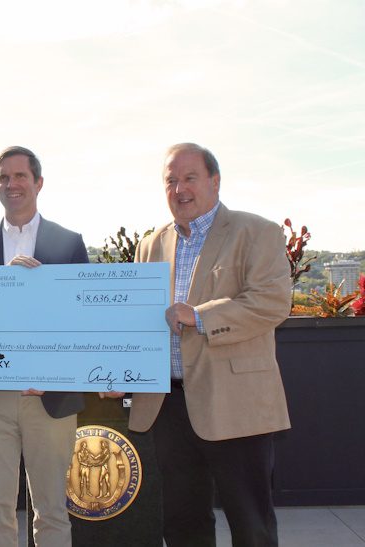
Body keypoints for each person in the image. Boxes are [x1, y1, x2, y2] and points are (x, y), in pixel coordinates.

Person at [129, 143, 292, 547]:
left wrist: (200, 316)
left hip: (236, 404)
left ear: (215, 182)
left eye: (189, 178)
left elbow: (271, 302)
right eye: (170, 180)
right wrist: (119, 369)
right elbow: (134, 319)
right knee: (183, 526)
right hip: (168, 406)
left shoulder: (258, 231)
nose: (179, 189)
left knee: (251, 526)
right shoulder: (150, 245)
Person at [0, 146, 88, 547]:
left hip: (49, 397)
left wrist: (56, 373)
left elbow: (82, 320)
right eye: (3, 177)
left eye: (20, 176)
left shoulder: (69, 243)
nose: (11, 184)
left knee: (51, 510)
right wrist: (6, 284)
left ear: (38, 183)